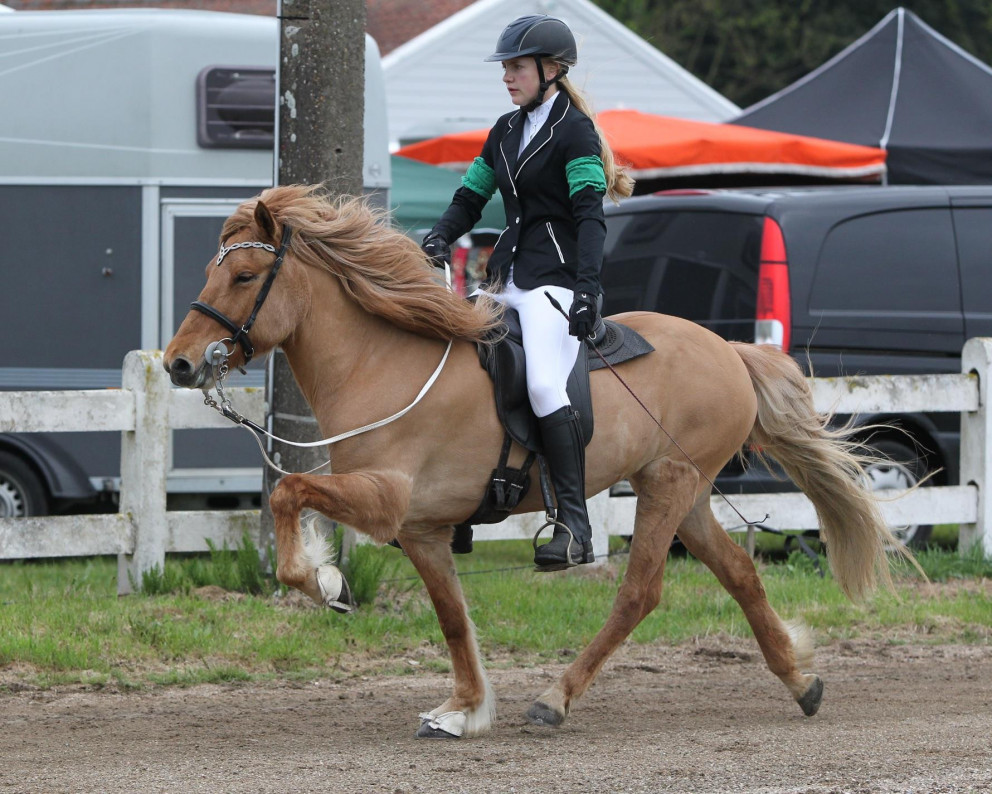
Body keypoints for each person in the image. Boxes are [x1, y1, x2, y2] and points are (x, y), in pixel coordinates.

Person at [421, 14, 634, 570]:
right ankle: (454, 509)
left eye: (516, 67)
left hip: (556, 284)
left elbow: (589, 216)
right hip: (503, 279)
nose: (507, 77)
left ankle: (574, 526)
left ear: (552, 69)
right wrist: (442, 233)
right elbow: (472, 196)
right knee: (455, 367)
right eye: (506, 68)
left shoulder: (576, 133)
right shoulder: (505, 130)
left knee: (542, 383)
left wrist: (588, 288)